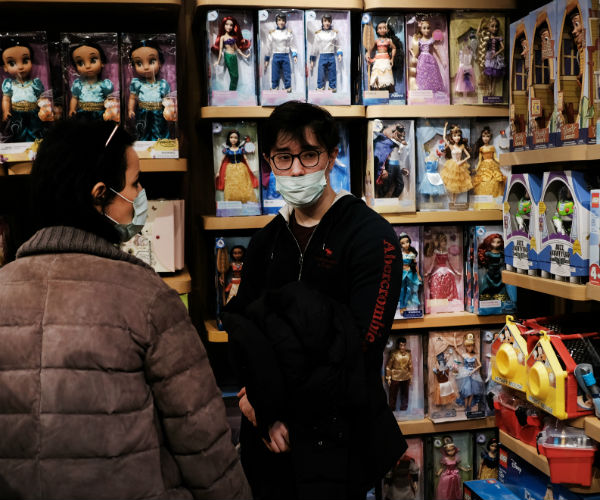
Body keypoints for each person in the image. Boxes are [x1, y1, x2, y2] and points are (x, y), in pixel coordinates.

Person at [0, 119, 251, 500]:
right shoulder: (147, 297)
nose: (141, 195)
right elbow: (200, 436)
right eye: (135, 184)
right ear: (99, 195)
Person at [223, 101, 406, 499]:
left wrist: (273, 407)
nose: (297, 170)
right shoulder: (265, 242)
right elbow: (244, 329)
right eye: (284, 158)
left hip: (339, 439)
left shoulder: (372, 238)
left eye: (309, 155)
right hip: (269, 446)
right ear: (269, 162)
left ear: (332, 156)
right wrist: (257, 403)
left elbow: (360, 347)